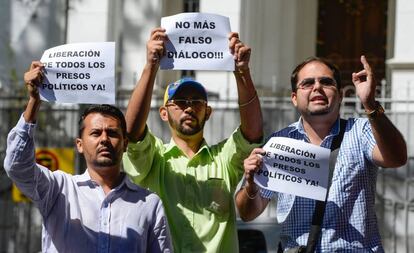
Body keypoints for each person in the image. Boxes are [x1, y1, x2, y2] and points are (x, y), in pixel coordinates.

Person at [235, 56, 407, 252]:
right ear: (294, 98)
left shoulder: (361, 131)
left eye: (326, 82)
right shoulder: (277, 143)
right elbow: (248, 213)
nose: (317, 87)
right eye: (307, 83)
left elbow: (396, 158)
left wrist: (370, 105)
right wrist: (250, 184)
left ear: (340, 95)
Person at [4, 61, 173, 252]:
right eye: (95, 133)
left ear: (125, 144)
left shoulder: (149, 203)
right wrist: (34, 101)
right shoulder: (58, 190)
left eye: (112, 133)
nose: (104, 139)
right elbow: (16, 166)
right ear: (80, 145)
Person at [122, 28, 263, 252]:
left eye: (196, 102)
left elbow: (253, 134)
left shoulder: (223, 158)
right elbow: (130, 133)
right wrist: (151, 66)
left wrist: (242, 73)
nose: (189, 107)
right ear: (164, 113)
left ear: (208, 112)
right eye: (179, 102)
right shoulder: (154, 158)